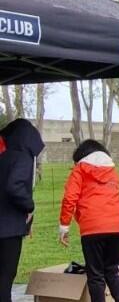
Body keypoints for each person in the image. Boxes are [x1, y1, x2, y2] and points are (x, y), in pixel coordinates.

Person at [58, 139, 119, 302]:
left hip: (93, 227)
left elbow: (70, 198)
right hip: (117, 226)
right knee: (112, 270)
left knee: (95, 275)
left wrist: (64, 226)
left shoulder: (79, 170)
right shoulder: (113, 171)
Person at [0, 118, 44, 302]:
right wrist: (29, 205)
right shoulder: (22, 157)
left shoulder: (4, 156)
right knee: (5, 277)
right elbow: (14, 186)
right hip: (9, 229)